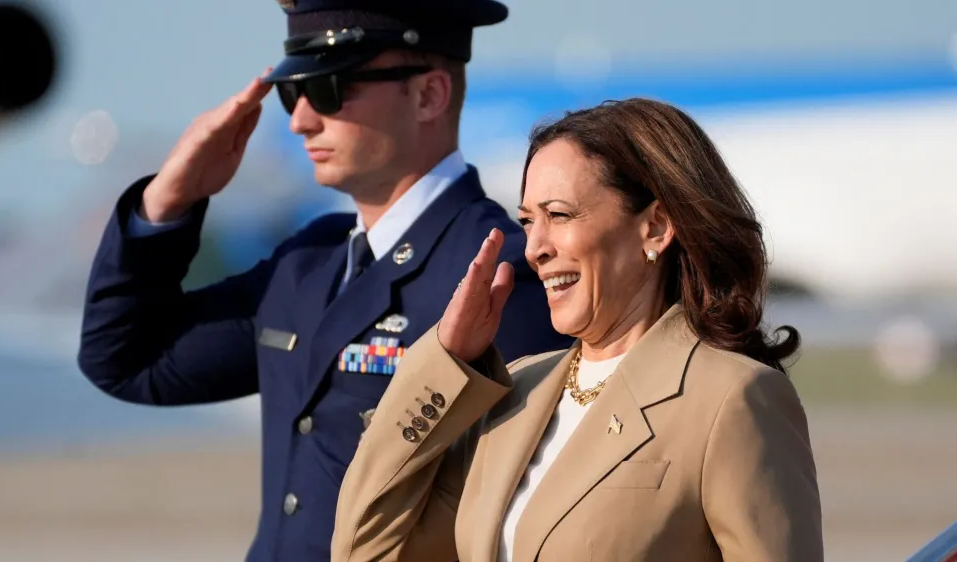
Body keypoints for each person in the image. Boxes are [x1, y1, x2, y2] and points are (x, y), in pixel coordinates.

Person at [75, 0, 572, 560]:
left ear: (429, 94)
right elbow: (125, 359)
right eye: (294, 92)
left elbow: (541, 508)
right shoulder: (307, 264)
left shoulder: (499, 275)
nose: (300, 120)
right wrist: (168, 200)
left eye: (331, 89)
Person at [330, 98, 825, 562]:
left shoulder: (731, 399)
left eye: (559, 216)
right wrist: (444, 364)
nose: (534, 248)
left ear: (655, 227)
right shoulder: (516, 394)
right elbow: (365, 549)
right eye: (528, 221)